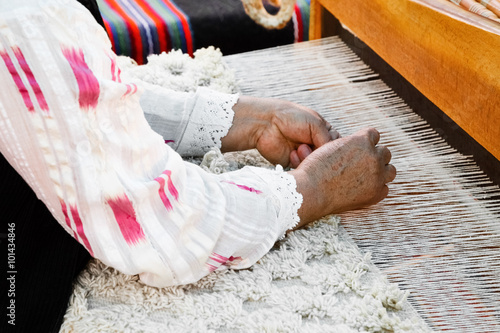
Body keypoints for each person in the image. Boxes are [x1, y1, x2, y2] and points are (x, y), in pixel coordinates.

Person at [0, 0, 395, 331]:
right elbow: (165, 230)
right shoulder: (24, 16)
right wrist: (315, 187)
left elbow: (64, 98)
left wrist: (246, 121)